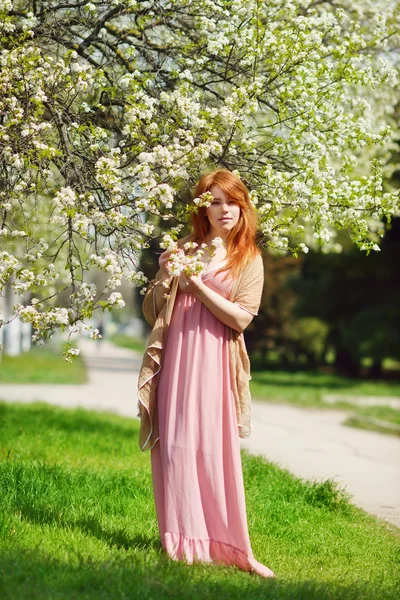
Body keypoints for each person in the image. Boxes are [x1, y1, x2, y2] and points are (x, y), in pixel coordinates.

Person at [137, 169, 275, 578]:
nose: (224, 209)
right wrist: (165, 278)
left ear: (243, 206)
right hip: (178, 356)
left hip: (214, 359)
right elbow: (152, 313)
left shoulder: (248, 258)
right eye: (214, 201)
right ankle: (180, 541)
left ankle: (230, 545)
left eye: (231, 201)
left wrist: (200, 290)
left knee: (213, 449)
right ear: (202, 208)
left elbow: (242, 319)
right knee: (176, 442)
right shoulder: (185, 248)